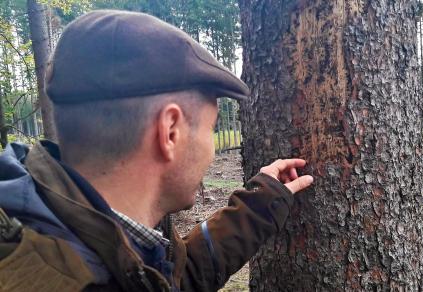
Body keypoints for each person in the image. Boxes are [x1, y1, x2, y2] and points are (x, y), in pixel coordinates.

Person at [0, 10, 314, 292]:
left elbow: (170, 280)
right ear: (170, 131)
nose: (210, 149)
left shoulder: (64, 231)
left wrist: (260, 206)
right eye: (211, 127)